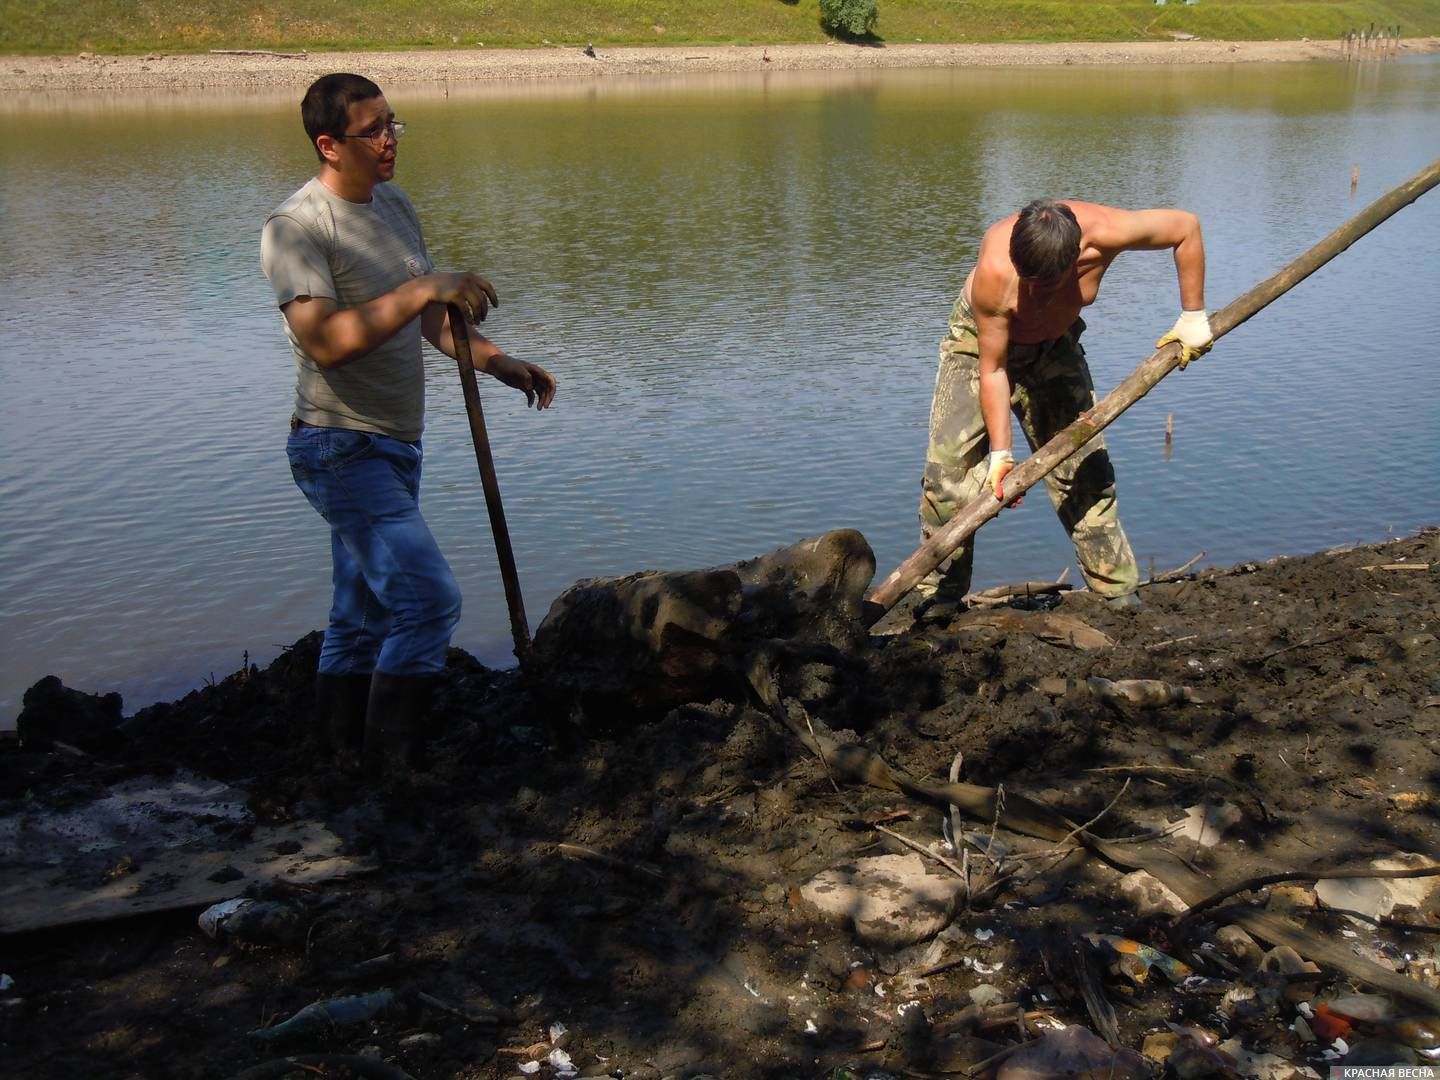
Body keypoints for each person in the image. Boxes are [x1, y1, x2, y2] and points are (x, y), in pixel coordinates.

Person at [261, 73, 557, 776]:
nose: (390, 140)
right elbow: (327, 339)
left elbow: (429, 321)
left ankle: (335, 757)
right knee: (426, 602)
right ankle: (394, 771)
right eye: (373, 131)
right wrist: (424, 285)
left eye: (394, 124)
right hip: (338, 446)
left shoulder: (393, 206)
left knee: (359, 616)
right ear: (329, 145)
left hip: (395, 445)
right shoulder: (296, 228)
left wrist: (495, 361)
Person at [917, 199, 1212, 612]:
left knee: (1084, 466)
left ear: (1075, 259)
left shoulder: (1107, 232)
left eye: (1047, 284)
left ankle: (1116, 591)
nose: (1034, 293)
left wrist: (1193, 315)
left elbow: (1186, 227)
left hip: (1054, 344)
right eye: (1028, 281)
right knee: (949, 479)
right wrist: (1002, 455)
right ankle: (940, 600)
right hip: (980, 349)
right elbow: (995, 369)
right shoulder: (996, 274)